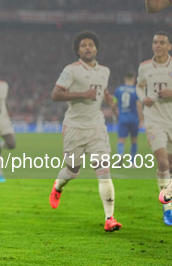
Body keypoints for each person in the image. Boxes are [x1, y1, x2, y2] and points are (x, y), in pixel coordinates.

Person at [49, 31, 121, 232]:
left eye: (91, 44)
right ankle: (57, 187)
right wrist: (83, 94)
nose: (88, 48)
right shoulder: (71, 70)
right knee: (72, 171)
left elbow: (103, 92)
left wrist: (111, 101)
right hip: (74, 126)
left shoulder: (104, 71)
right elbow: (55, 94)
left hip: (97, 127)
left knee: (104, 172)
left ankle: (110, 218)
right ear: (78, 50)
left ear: (96, 48)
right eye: (83, 45)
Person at [136, 33, 172, 225]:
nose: (157, 45)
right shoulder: (145, 67)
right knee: (163, 162)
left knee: (171, 165)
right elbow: (139, 86)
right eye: (155, 42)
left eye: (162, 43)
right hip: (154, 120)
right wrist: (143, 98)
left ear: (169, 46)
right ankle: (167, 209)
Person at [111, 72, 143, 164]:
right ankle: (132, 162)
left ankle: (120, 156)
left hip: (123, 117)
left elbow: (113, 104)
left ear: (125, 79)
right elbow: (139, 105)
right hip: (134, 118)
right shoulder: (136, 90)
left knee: (121, 139)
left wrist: (115, 113)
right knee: (134, 140)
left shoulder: (119, 89)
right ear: (134, 79)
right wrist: (141, 120)